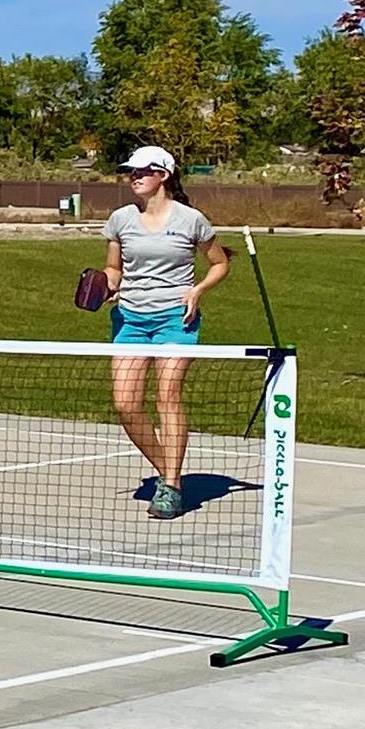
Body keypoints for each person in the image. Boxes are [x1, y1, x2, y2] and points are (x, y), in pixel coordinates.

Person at [101, 145, 229, 522]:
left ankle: (171, 486)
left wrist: (197, 290)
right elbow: (114, 268)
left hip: (176, 319)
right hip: (130, 320)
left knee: (167, 396)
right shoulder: (121, 219)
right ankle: (169, 472)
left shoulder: (191, 220)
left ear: (164, 174)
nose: (133, 176)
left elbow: (219, 263)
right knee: (126, 404)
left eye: (141, 170)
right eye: (130, 171)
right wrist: (105, 287)